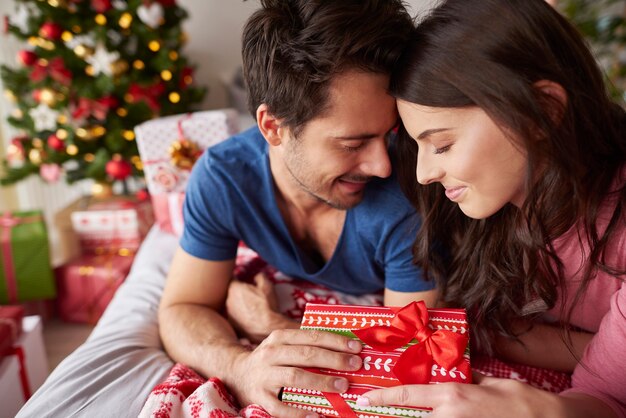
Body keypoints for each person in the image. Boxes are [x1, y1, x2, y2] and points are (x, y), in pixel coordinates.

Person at [158, 1, 438, 417]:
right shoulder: (222, 177)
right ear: (273, 127)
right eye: (353, 144)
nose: (381, 164)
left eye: (387, 134)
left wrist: (270, 326)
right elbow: (181, 308)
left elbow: (404, 359)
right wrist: (239, 366)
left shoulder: (406, 199)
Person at [355, 0, 626, 417]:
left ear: (543, 112)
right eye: (418, 146)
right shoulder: (481, 208)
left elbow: (604, 398)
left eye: (442, 144)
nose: (425, 172)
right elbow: (477, 323)